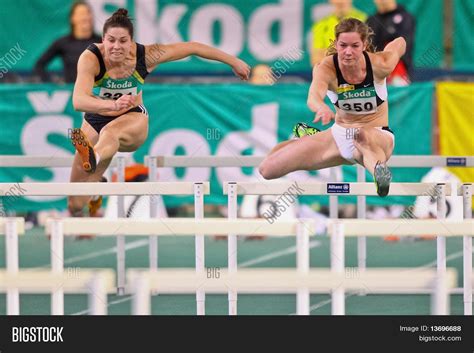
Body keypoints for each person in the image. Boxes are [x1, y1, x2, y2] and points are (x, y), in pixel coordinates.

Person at [68, 8, 250, 219]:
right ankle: (96, 181)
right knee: (75, 203)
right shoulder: (91, 58)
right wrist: (111, 106)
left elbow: (192, 47)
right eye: (111, 40)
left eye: (123, 41)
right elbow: (78, 101)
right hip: (96, 117)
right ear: (103, 39)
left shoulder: (147, 55)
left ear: (132, 42)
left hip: (131, 116)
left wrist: (233, 61)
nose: (116, 47)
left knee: (110, 133)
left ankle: (94, 157)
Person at [259, 18, 406, 197]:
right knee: (267, 169)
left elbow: (400, 43)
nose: (348, 52)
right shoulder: (326, 68)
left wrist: (396, 40)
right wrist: (320, 107)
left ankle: (379, 172)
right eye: (343, 45)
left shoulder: (380, 64)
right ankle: (311, 138)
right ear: (336, 44)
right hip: (339, 136)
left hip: (377, 137)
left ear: (364, 45)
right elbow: (314, 96)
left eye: (355, 46)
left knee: (361, 135)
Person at [34, 1, 102, 83]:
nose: (86, 17)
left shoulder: (101, 42)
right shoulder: (63, 42)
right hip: (70, 92)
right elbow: (39, 65)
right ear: (72, 18)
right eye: (81, 14)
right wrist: (52, 82)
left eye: (88, 13)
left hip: (95, 93)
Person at [366, 0, 415, 85]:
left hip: (399, 72)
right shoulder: (371, 20)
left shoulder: (406, 17)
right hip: (374, 72)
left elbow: (404, 45)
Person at [310, 0, 367, 67]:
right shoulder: (320, 25)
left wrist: (329, 55)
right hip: (330, 74)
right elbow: (316, 60)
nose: (340, 1)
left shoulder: (366, 20)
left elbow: (368, 55)